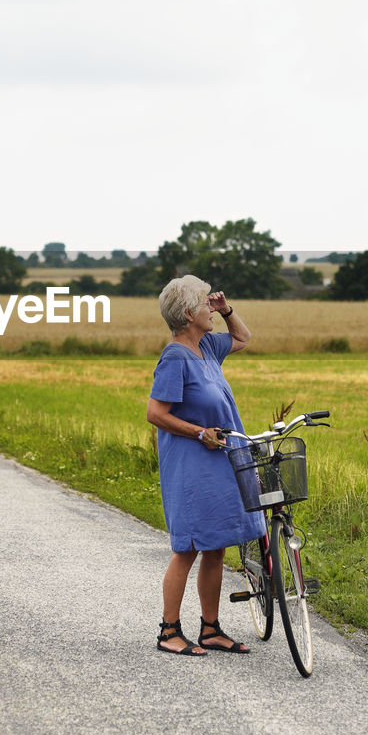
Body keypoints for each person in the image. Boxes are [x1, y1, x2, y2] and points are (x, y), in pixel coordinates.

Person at [146, 274, 264, 656]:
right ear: (186, 313)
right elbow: (155, 413)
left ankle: (210, 629)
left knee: (216, 548)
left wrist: (226, 310)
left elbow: (244, 338)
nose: (210, 309)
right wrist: (199, 432)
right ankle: (168, 631)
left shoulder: (208, 348)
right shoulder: (175, 357)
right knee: (190, 547)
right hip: (192, 468)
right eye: (204, 304)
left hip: (220, 465)